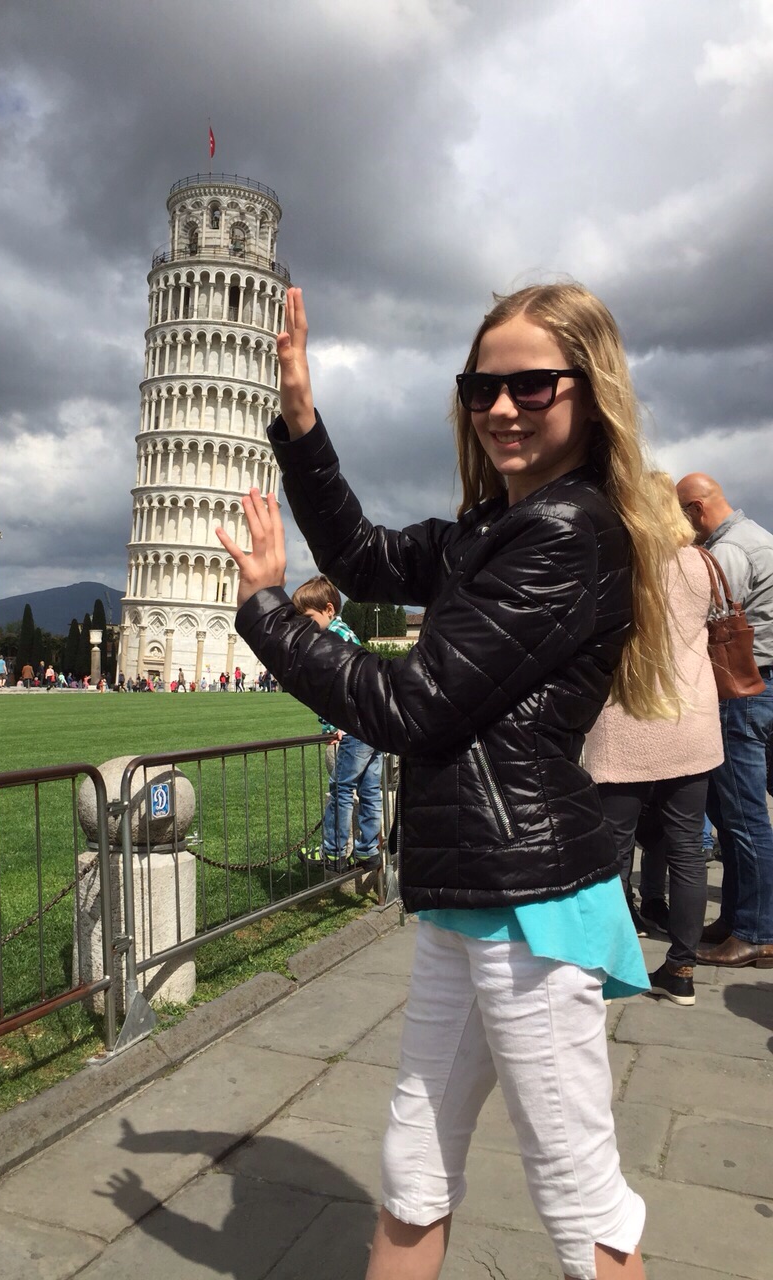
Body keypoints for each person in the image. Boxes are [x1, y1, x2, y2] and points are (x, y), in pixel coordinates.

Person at [216, 284, 685, 1280]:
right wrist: (300, 414)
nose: (502, 407)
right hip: (470, 891)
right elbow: (361, 554)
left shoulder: (567, 530)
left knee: (577, 1195)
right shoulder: (494, 524)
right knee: (414, 1164)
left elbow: (411, 705)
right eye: (482, 386)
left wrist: (266, 612)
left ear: (589, 393)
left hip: (530, 902)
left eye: (532, 385)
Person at [583, 473, 723, 1005]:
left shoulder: (618, 564)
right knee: (688, 848)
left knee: (611, 851)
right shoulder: (700, 564)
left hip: (626, 722)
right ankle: (682, 970)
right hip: (690, 722)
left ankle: (608, 966)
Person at [675, 474, 773, 967]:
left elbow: (698, 616)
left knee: (742, 815)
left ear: (694, 510)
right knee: (738, 812)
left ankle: (756, 930)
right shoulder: (759, 536)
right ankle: (740, 918)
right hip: (762, 685)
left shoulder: (730, 551)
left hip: (740, 691)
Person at [292, 575, 383, 874]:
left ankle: (332, 852)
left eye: (308, 617)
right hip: (374, 725)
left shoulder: (331, 641)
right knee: (370, 789)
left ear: (329, 610)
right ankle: (368, 850)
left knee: (341, 788)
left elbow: (334, 688)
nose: (304, 625)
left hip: (353, 726)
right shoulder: (350, 635)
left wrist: (331, 726)